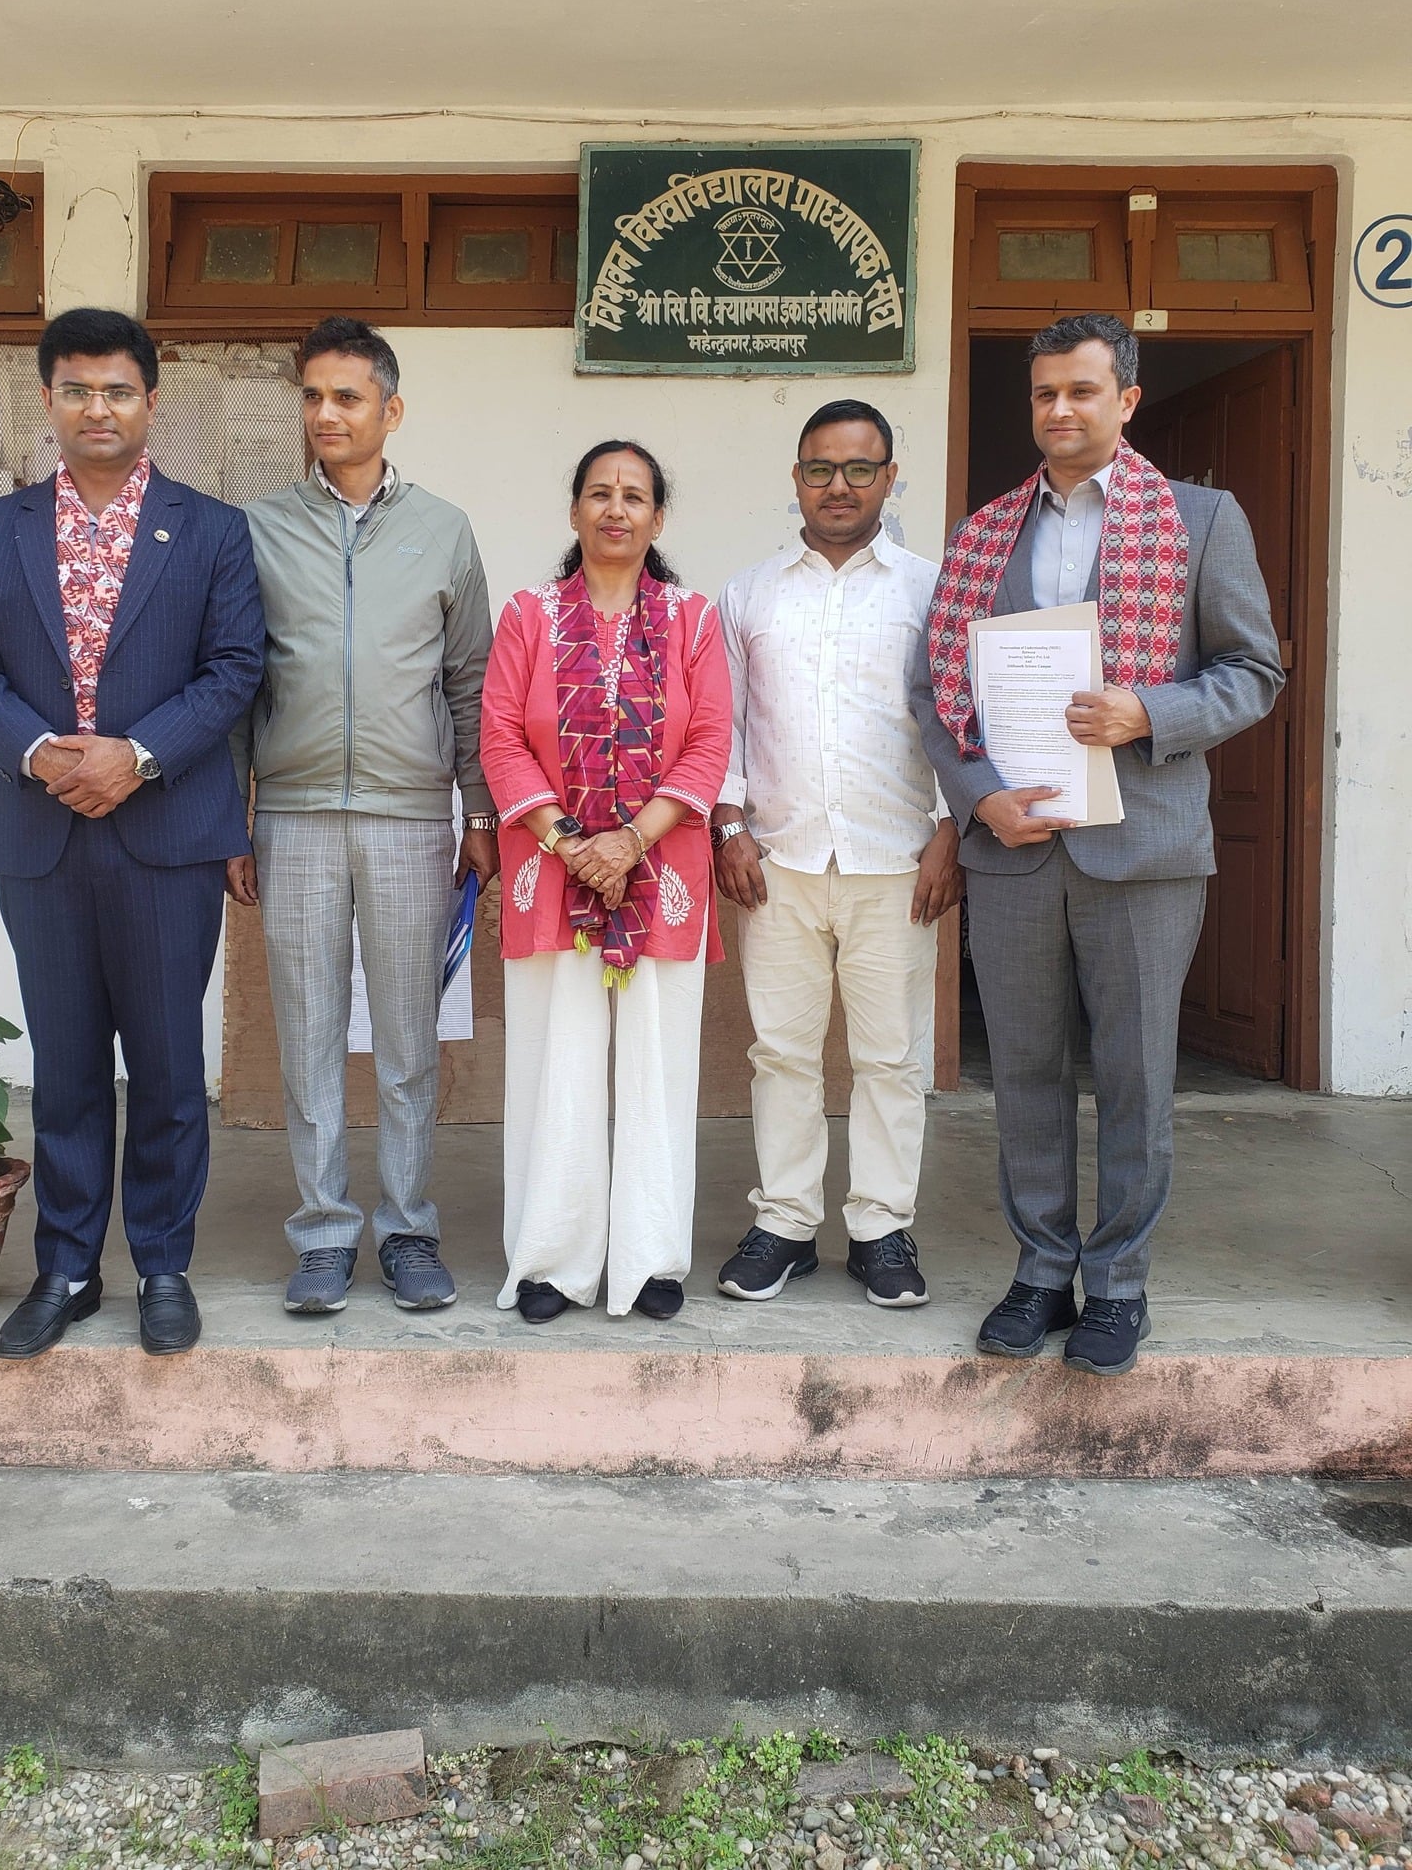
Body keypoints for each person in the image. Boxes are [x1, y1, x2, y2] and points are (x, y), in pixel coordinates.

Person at [913, 313, 1285, 1376]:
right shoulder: (984, 534)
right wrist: (978, 799)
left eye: (1081, 390)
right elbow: (934, 694)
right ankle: (1040, 1269)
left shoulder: (1203, 520)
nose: (1059, 410)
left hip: (1145, 847)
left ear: (1126, 399)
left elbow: (1253, 671)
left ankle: (1118, 1283)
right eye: (1043, 394)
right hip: (1017, 844)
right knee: (1025, 1070)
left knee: (1134, 1073)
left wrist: (1148, 712)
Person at [0, 307, 265, 1359]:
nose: (98, 407)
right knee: (68, 1062)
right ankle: (68, 1264)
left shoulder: (211, 528)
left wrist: (139, 754)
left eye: (118, 389)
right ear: (48, 400)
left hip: (166, 831)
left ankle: (162, 1262)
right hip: (41, 833)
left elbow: (236, 667)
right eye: (76, 389)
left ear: (151, 400)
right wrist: (39, 751)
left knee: (168, 1063)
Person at [227, 317, 498, 1316]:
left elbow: (470, 679)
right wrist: (231, 816)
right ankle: (324, 1229)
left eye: (347, 396)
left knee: (407, 1035)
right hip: (291, 815)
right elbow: (233, 683)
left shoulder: (444, 528)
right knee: (305, 1032)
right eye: (312, 395)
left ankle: (411, 1226)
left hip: (408, 816)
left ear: (390, 409)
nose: (326, 413)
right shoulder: (255, 528)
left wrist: (479, 808)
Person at [710, 400, 962, 1308]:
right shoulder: (749, 593)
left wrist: (949, 828)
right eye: (821, 468)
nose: (840, 486)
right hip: (776, 860)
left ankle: (882, 1228)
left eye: (861, 468)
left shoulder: (932, 590)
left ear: (891, 477)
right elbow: (724, 724)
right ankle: (783, 1221)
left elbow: (957, 722)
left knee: (892, 1057)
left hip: (897, 860)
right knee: (781, 1053)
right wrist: (727, 825)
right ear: (796, 479)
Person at [479, 442, 732, 1323]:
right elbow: (502, 739)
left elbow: (708, 745)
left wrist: (628, 842)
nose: (616, 509)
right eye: (599, 493)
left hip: (662, 868)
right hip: (552, 871)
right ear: (575, 512)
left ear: (659, 518)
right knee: (558, 1060)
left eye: (635, 496)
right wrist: (570, 842)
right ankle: (552, 1260)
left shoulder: (695, 621)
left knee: (660, 1067)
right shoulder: (527, 615)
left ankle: (652, 1257)